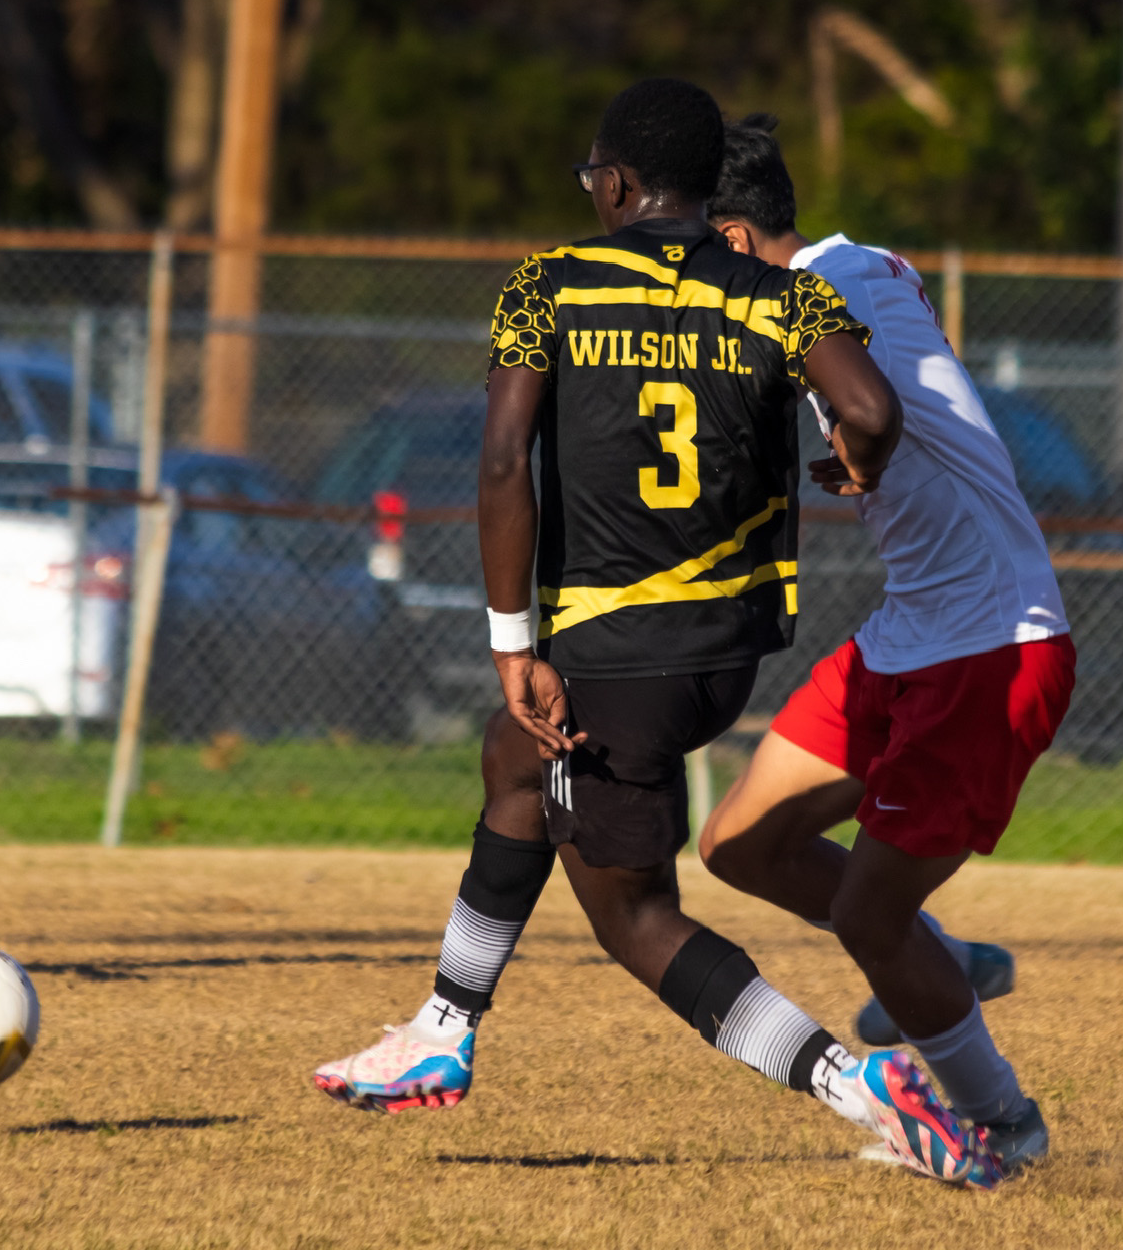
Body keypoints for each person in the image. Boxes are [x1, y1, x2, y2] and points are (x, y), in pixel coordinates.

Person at [312, 78, 1003, 1187]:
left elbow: (503, 463)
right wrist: (855, 465)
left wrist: (511, 643)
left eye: (594, 173)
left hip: (613, 652)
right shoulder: (779, 295)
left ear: (621, 184)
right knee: (514, 760)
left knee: (634, 917)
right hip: (726, 654)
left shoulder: (547, 285)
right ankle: (441, 1027)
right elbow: (872, 409)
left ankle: (859, 1085)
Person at [686, 115, 1072, 1173]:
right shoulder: (855, 266)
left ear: (733, 236)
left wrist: (861, 446)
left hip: (991, 643)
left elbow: (875, 403)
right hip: (912, 631)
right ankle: (937, 958)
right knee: (738, 844)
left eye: (693, 248)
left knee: (867, 915)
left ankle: (1005, 1124)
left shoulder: (819, 288)